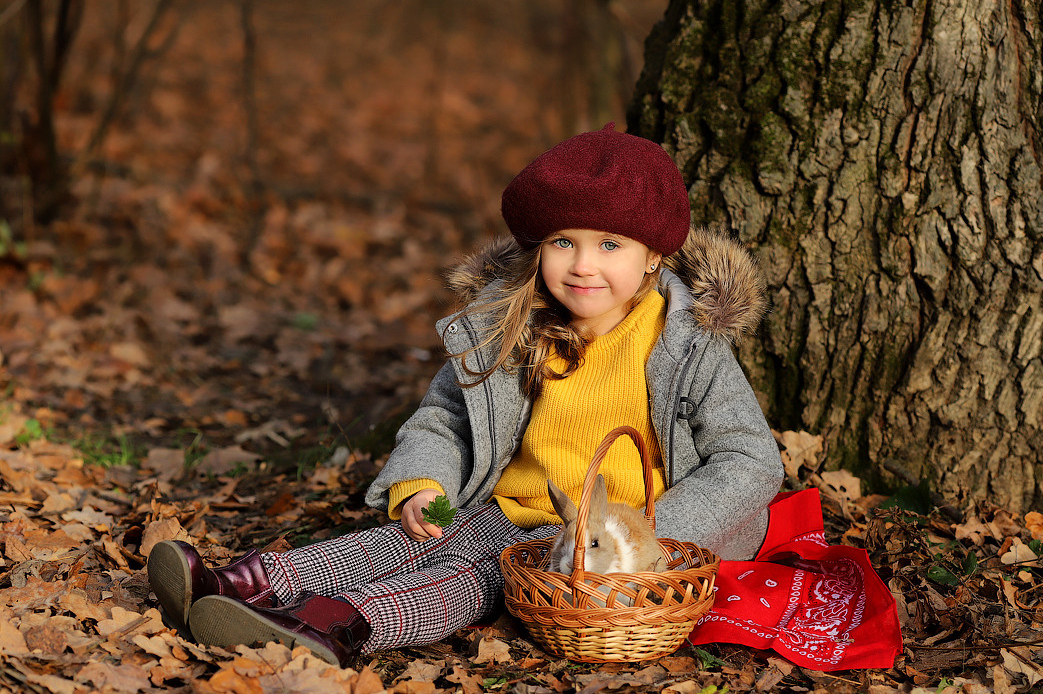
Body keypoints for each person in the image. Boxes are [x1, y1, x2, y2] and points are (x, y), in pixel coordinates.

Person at [146, 123, 784, 668]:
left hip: (599, 541)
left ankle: (340, 626)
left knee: (465, 581)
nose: (583, 265)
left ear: (653, 258)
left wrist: (651, 531)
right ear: (538, 248)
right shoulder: (511, 325)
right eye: (564, 242)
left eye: (609, 245)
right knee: (401, 544)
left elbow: (750, 457)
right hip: (505, 502)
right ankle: (244, 585)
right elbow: (449, 413)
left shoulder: (688, 344)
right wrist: (424, 479)